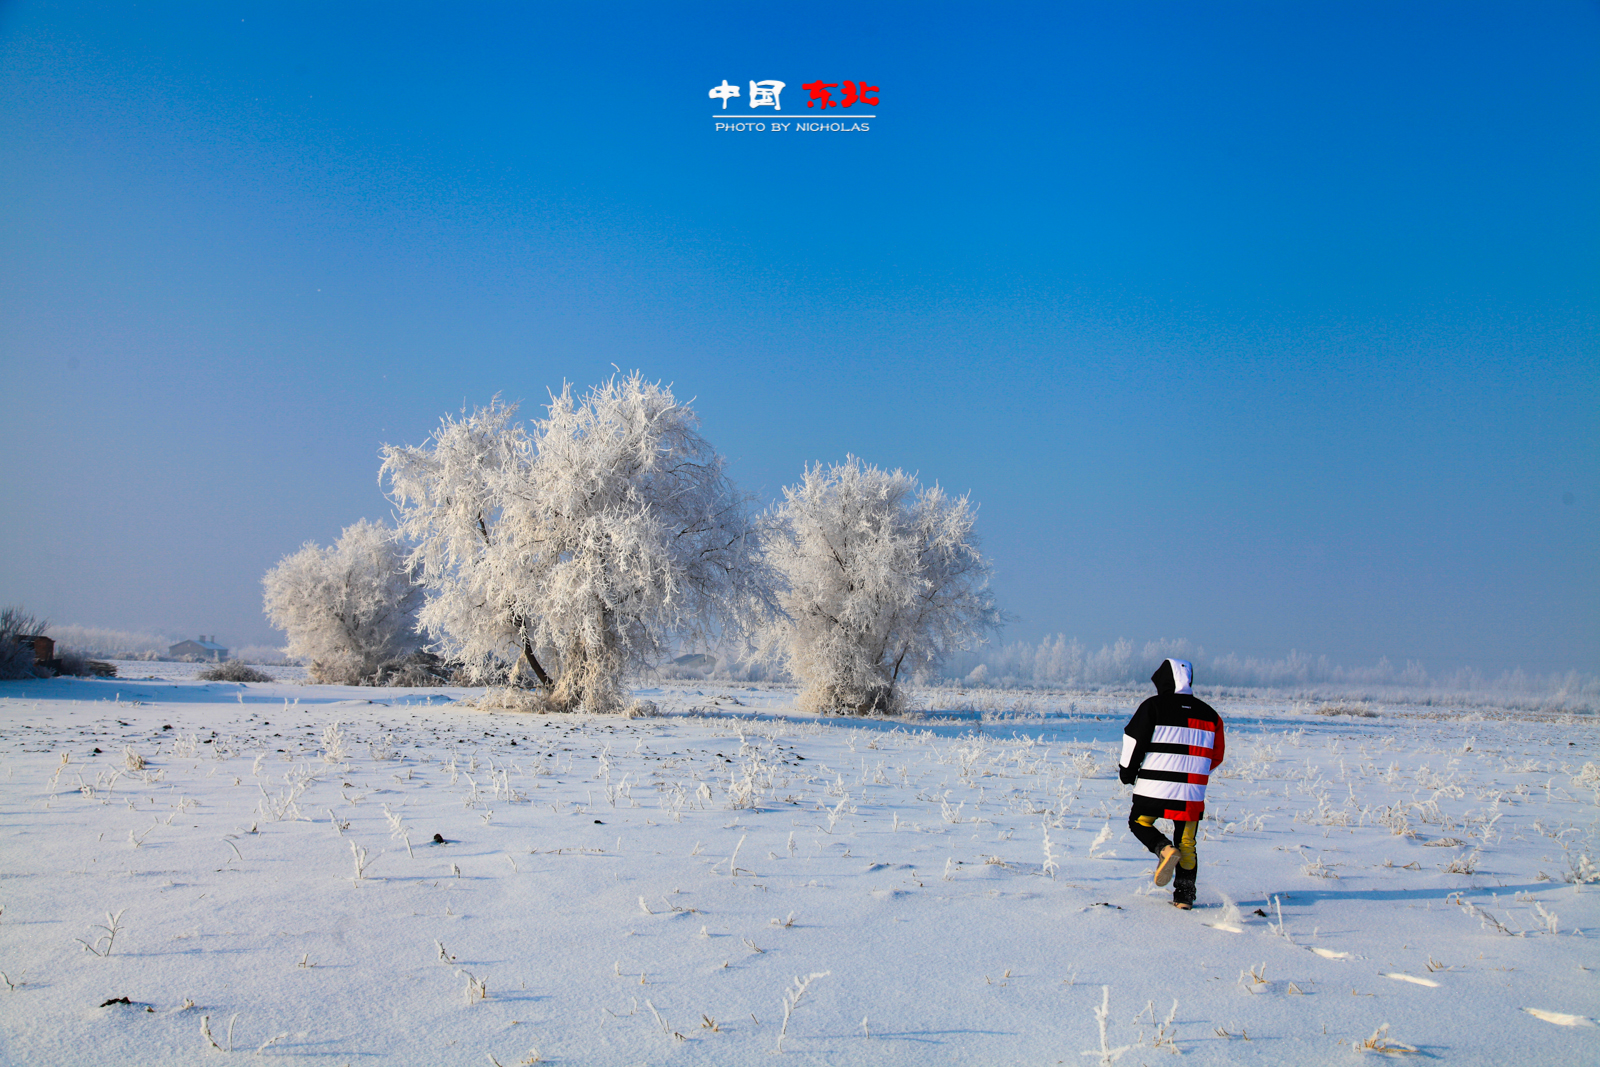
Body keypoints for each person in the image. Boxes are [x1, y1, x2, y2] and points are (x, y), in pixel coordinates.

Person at [1117, 658, 1225, 909]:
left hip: (1154, 789)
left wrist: (1127, 773)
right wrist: (1194, 772)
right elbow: (1216, 755)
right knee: (1187, 842)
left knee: (1139, 822)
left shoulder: (1153, 706)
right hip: (1191, 793)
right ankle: (1184, 897)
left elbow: (1133, 741)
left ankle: (1163, 849)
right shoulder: (1211, 715)